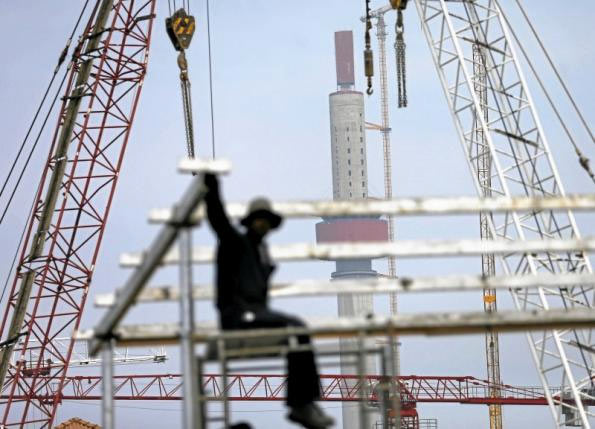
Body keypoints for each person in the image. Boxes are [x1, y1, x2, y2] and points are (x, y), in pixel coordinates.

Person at [203, 173, 334, 429]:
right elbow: (218, 220)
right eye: (259, 219)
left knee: (299, 330)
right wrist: (212, 188)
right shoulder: (235, 243)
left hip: (255, 314)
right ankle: (301, 405)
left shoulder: (261, 254)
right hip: (239, 316)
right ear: (251, 222)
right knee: (296, 329)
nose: (262, 224)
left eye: (266, 220)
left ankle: (303, 403)